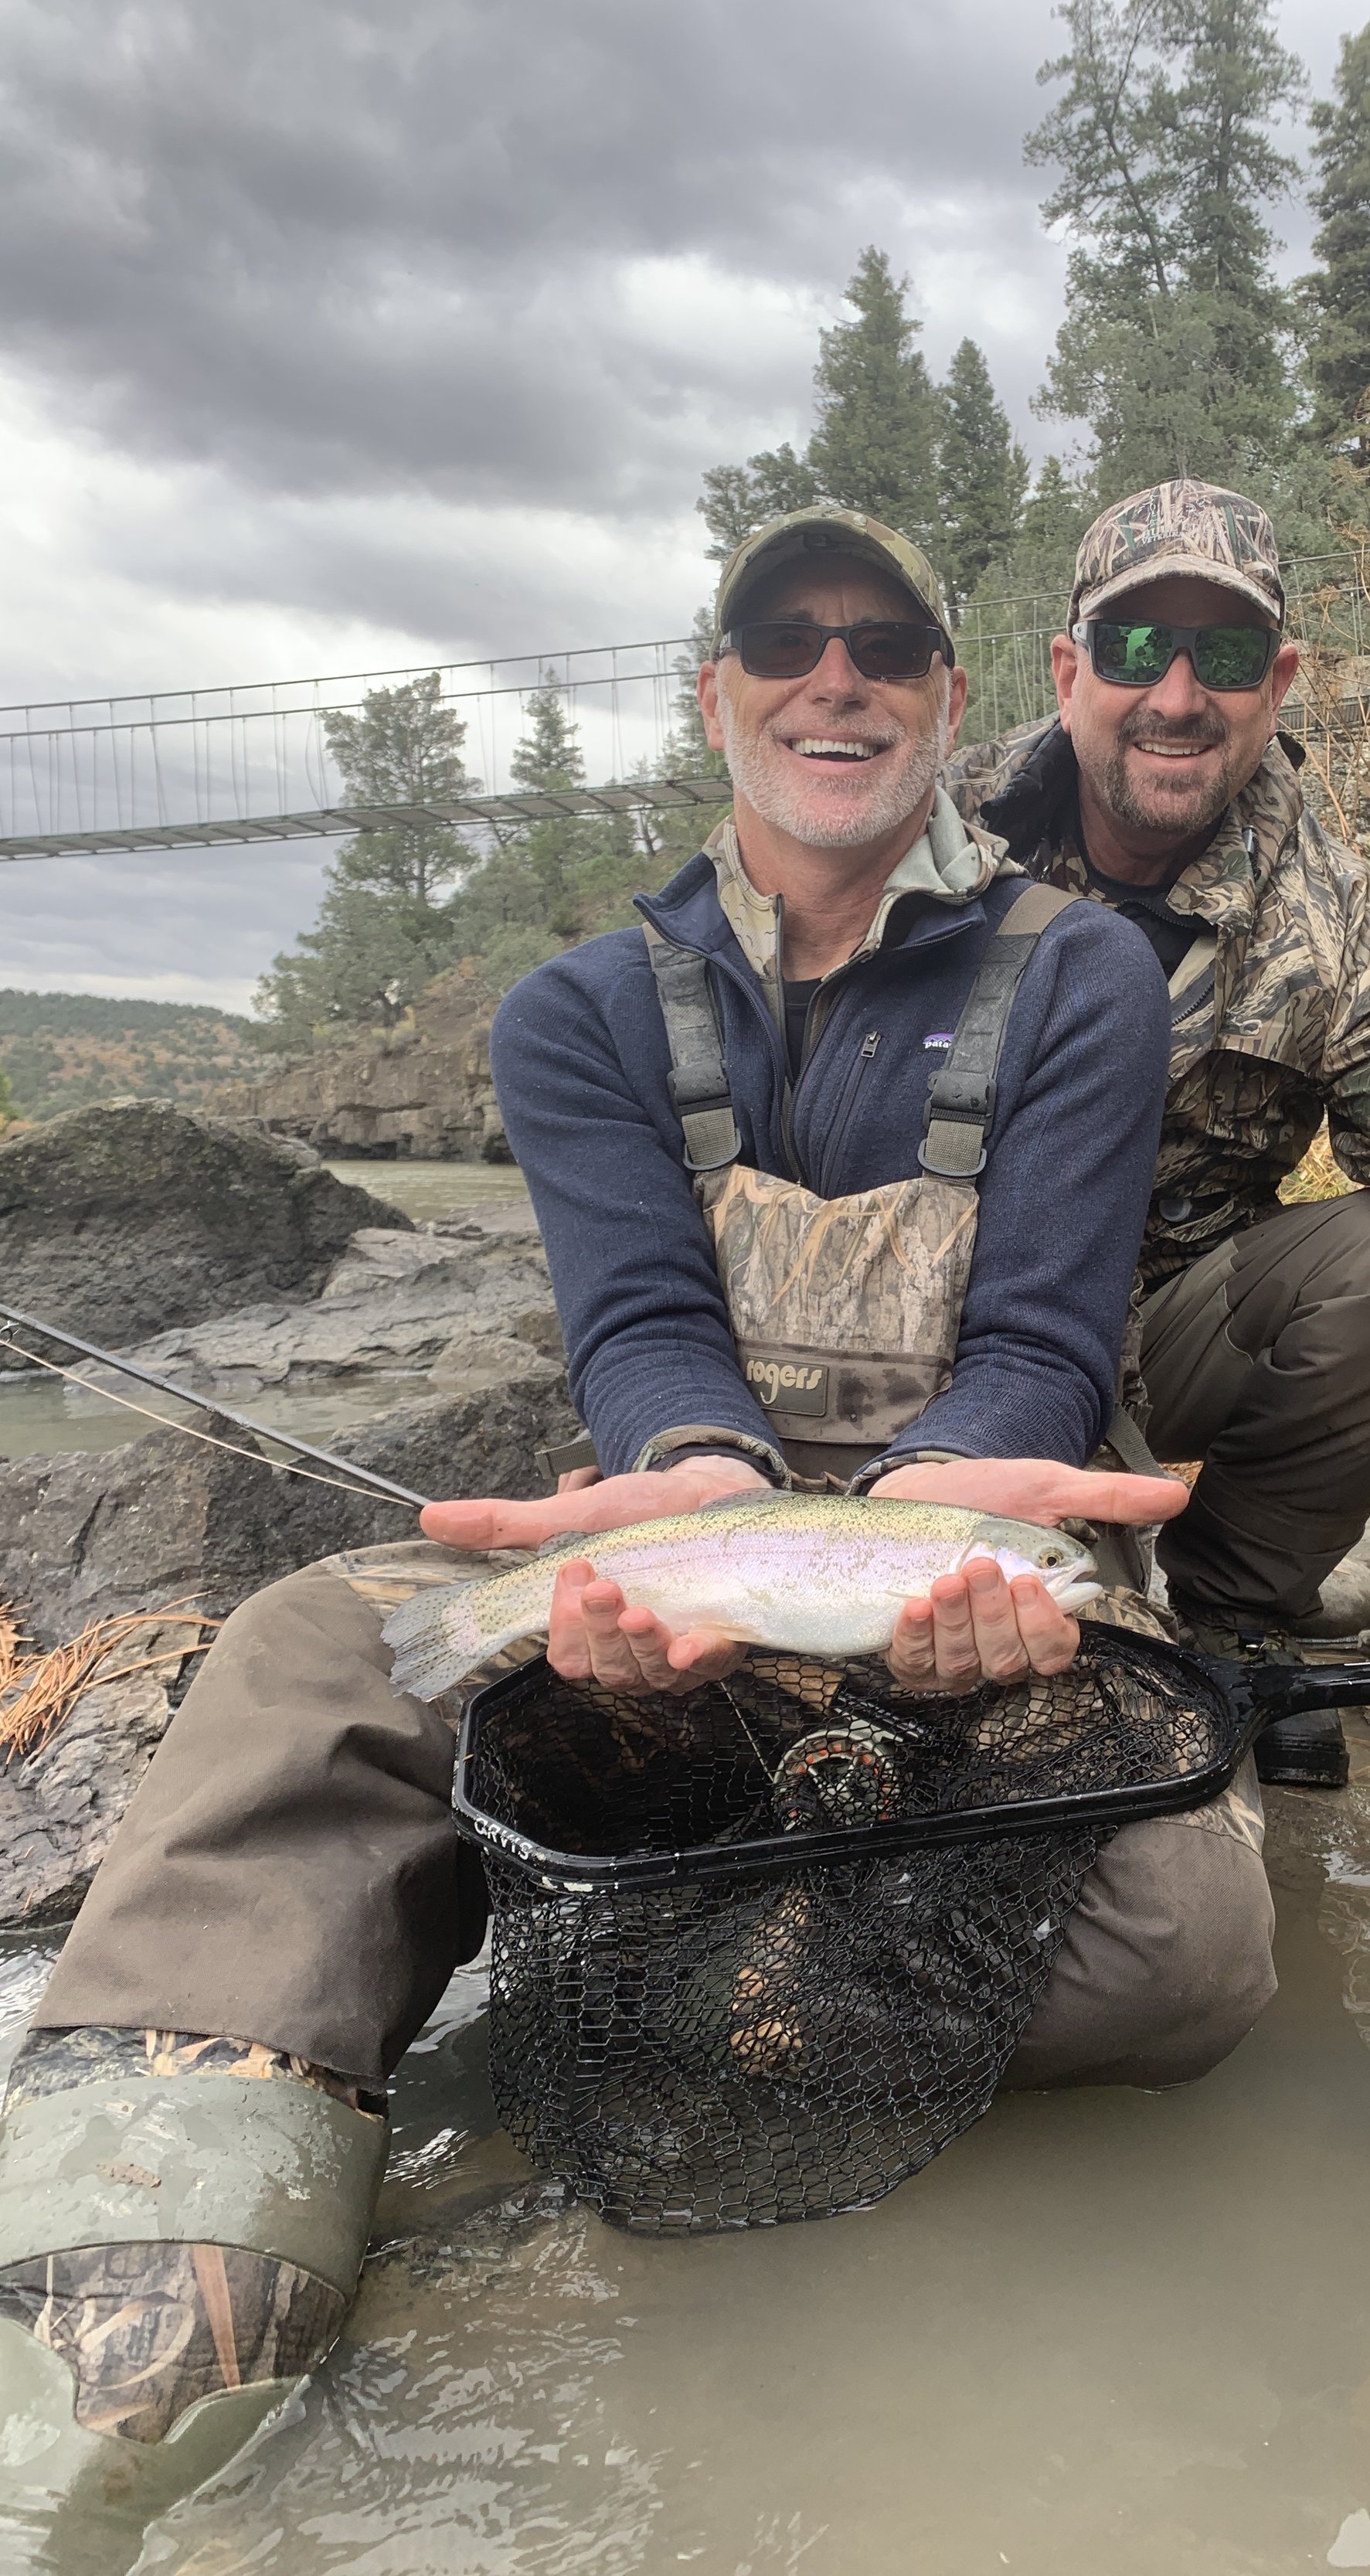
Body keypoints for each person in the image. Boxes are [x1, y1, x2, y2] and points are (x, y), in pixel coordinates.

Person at [0, 508, 1276, 2540]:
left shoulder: (1083, 977)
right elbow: (648, 1339)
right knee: (309, 1656)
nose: (833, 672)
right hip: (679, 1525)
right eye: (785, 635)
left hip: (964, 1524)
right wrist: (681, 1507)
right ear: (719, 697)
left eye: (884, 641)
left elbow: (1039, 1341)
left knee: (1185, 1955)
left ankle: (676, 1966)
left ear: (951, 704)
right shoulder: (581, 1010)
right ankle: (134, 2285)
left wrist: (947, 1533)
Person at [947, 478, 1370, 1772]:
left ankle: (1235, 1611)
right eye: (1136, 644)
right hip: (929, 1327)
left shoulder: (1335, 911)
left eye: (1229, 652)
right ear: (1065, 667)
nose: (1177, 693)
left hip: (1160, 1332)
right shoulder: (941, 838)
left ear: (1281, 681)